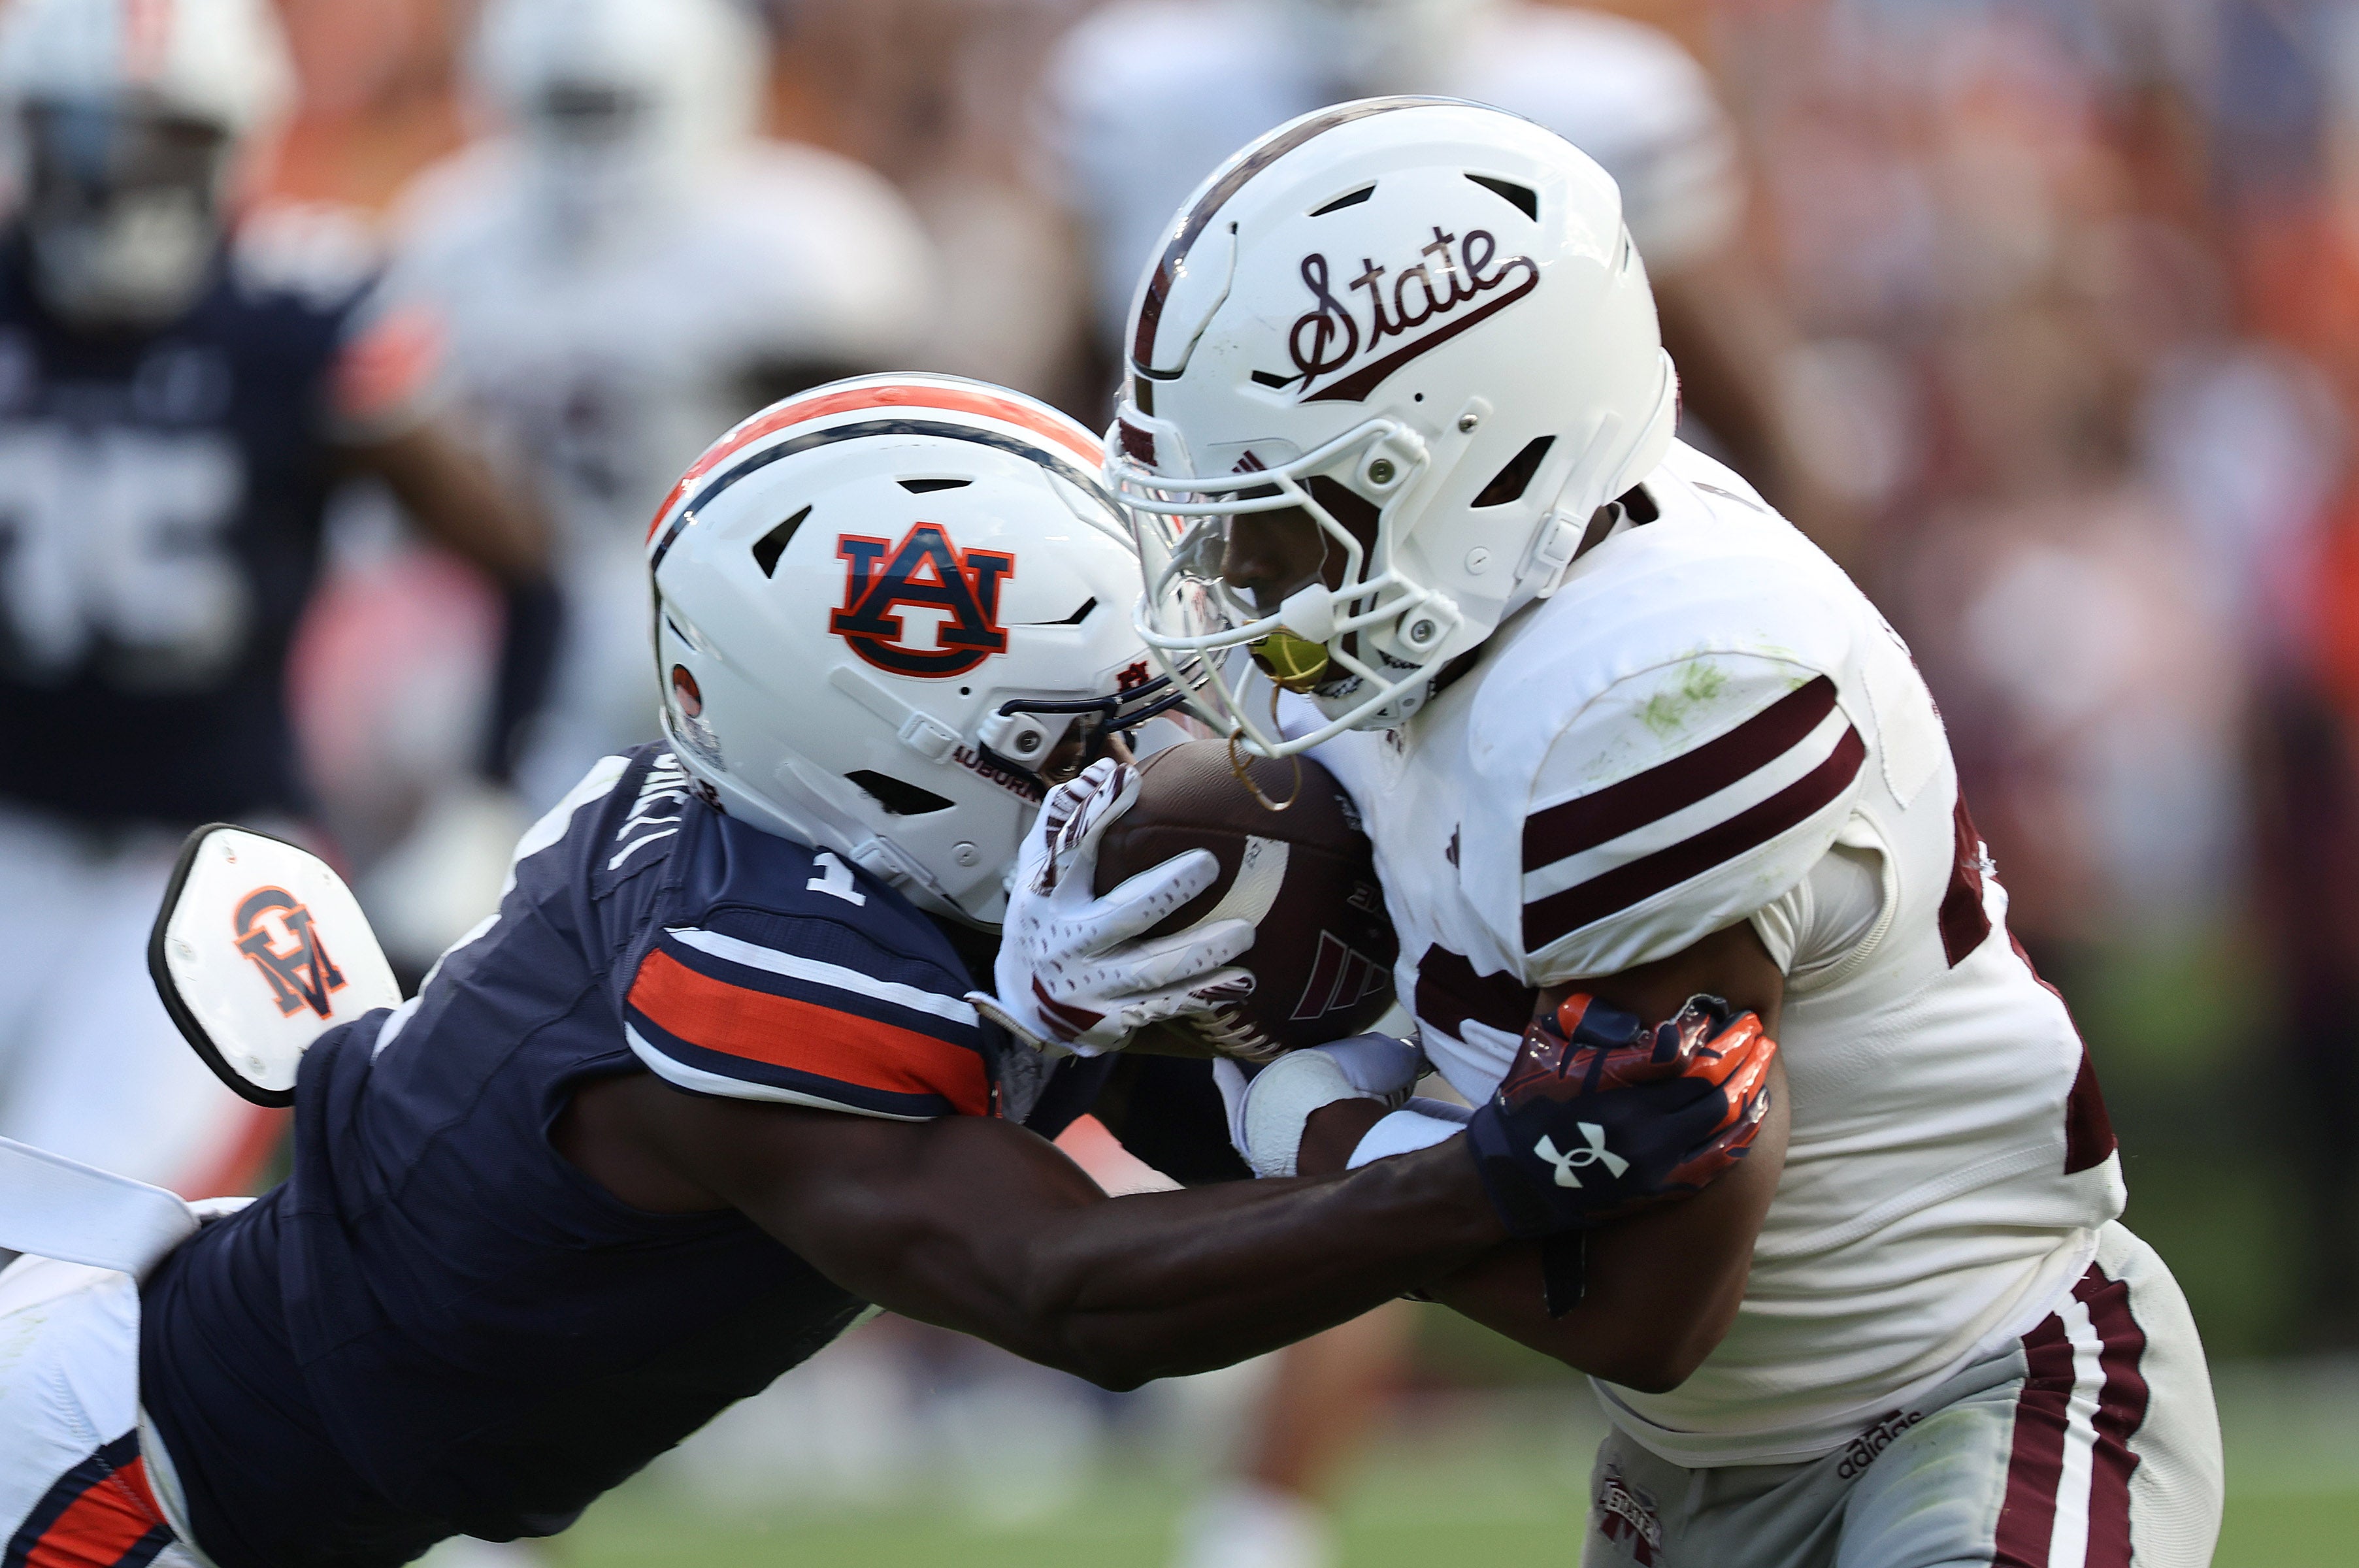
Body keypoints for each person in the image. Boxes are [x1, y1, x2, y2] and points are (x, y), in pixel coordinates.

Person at [0, 374, 1772, 1568]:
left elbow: (1216, 1137)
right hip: (114, 1493)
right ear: (911, 756)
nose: (1179, 742)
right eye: (1110, 718)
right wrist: (1492, 1170)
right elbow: (1071, 1288)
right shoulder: (748, 966)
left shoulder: (880, 847)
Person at [997, 100, 2226, 1565]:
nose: (1241, 573)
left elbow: (1642, 1302)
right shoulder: (1484, 604)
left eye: (1287, 512)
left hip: (1965, 1393)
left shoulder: (1651, 694)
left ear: (1457, 463)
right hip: (1688, 1475)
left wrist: (1285, 1111)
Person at [0, 0, 546, 1200]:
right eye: (84, 141)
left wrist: (485, 795)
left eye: (160, 143)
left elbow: (521, 557)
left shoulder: (298, 315)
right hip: (12, 827)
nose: (117, 182)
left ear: (239, 144)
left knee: (76, 1224)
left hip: (199, 863)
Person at [386, 0, 938, 813]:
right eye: (569, 107)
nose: (593, 143)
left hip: (736, 614)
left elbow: (888, 484)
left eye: (615, 107)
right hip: (504, 626)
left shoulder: (805, 243)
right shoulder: (450, 234)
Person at [1041, 0, 1849, 553]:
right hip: (1260, 582)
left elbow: (1759, 422)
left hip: (1553, 573)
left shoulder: (1609, 99)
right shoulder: (1135, 88)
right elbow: (1086, 391)